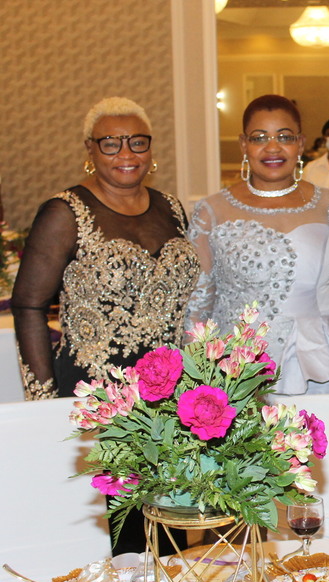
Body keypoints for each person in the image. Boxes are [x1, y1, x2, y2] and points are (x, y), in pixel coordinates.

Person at [11, 96, 200, 554]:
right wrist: (45, 402)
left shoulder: (171, 208)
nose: (126, 153)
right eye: (110, 143)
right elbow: (29, 305)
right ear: (90, 150)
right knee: (118, 533)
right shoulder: (64, 212)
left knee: (169, 525)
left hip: (167, 395)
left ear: (151, 148)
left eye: (137, 141)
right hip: (98, 393)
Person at [186, 95, 329, 395]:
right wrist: (194, 380)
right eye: (259, 137)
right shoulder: (212, 211)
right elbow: (197, 306)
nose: (272, 147)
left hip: (318, 363)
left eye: (284, 137)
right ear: (243, 144)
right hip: (236, 370)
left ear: (300, 144)